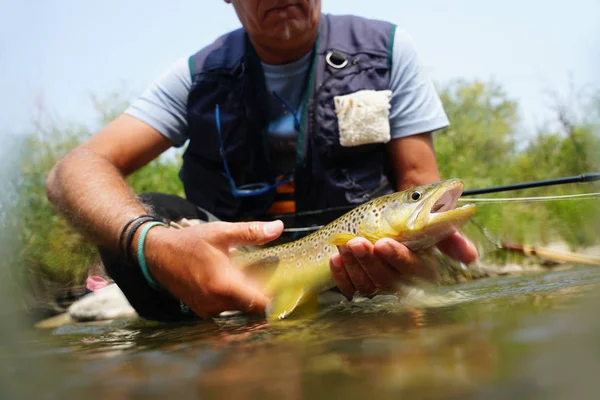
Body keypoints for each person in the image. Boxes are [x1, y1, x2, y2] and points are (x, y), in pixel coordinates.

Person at [46, 0, 478, 322]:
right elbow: (72, 171)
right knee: (146, 213)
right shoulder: (197, 75)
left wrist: (420, 263)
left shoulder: (387, 50)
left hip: (361, 271)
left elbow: (418, 183)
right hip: (226, 271)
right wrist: (150, 243)